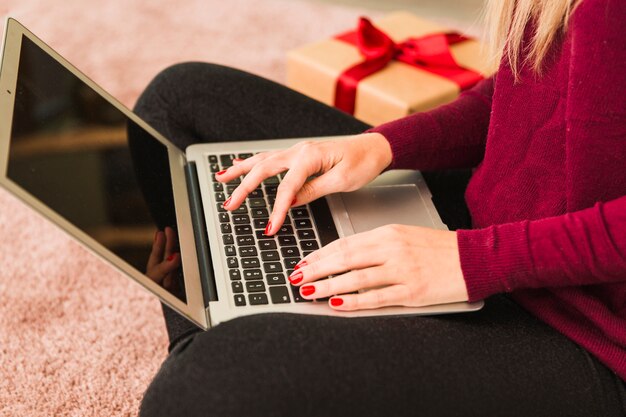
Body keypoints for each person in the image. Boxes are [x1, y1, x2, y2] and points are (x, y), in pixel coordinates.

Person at [138, 0, 626, 415]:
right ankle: (213, 309)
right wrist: (379, 148)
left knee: (197, 385)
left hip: (579, 327)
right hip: (484, 214)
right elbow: (520, 92)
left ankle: (205, 333)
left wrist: (467, 261)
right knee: (175, 102)